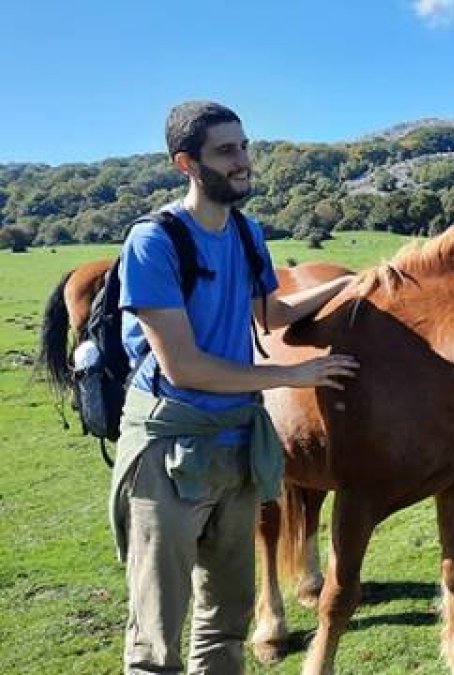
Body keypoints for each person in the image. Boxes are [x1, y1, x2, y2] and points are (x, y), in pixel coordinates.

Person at [109, 100, 359, 674]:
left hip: (235, 445)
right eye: (226, 151)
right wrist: (290, 376)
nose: (243, 161)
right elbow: (185, 367)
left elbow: (269, 312)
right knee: (156, 640)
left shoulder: (247, 234)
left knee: (226, 624)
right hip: (167, 450)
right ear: (185, 163)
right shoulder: (155, 241)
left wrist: (347, 283)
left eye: (244, 146)